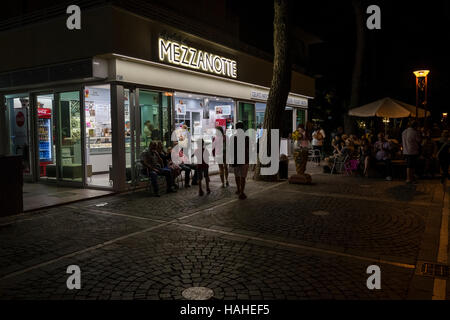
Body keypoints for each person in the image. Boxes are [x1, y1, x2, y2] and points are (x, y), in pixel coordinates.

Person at [231, 121, 250, 200]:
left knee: (237, 175)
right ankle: (242, 192)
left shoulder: (233, 137)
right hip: (244, 159)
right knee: (243, 176)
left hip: (235, 159)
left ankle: (238, 189)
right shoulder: (246, 138)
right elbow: (249, 149)